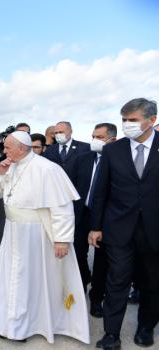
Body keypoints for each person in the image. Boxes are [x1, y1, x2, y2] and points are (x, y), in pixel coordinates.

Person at [0, 131, 90, 344]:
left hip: (35, 235)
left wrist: (62, 240)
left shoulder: (47, 169)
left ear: (21, 148)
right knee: (10, 277)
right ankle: (7, 321)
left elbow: (62, 208)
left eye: (8, 147)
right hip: (13, 231)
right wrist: (1, 174)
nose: (4, 151)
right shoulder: (10, 165)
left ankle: (24, 325)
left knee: (29, 280)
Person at [89, 98, 159, 349]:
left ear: (151, 121)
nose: (127, 125)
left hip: (154, 230)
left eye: (133, 120)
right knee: (116, 281)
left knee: (152, 282)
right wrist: (95, 227)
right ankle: (111, 334)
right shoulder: (113, 150)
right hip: (118, 229)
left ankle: (145, 328)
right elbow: (101, 191)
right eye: (124, 120)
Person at [72, 123, 116, 319]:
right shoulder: (82, 159)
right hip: (83, 214)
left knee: (102, 261)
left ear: (111, 139)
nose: (94, 140)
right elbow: (71, 187)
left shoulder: (118, 161)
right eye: (93, 136)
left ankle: (97, 298)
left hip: (107, 218)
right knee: (77, 254)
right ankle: (79, 288)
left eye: (99, 137)